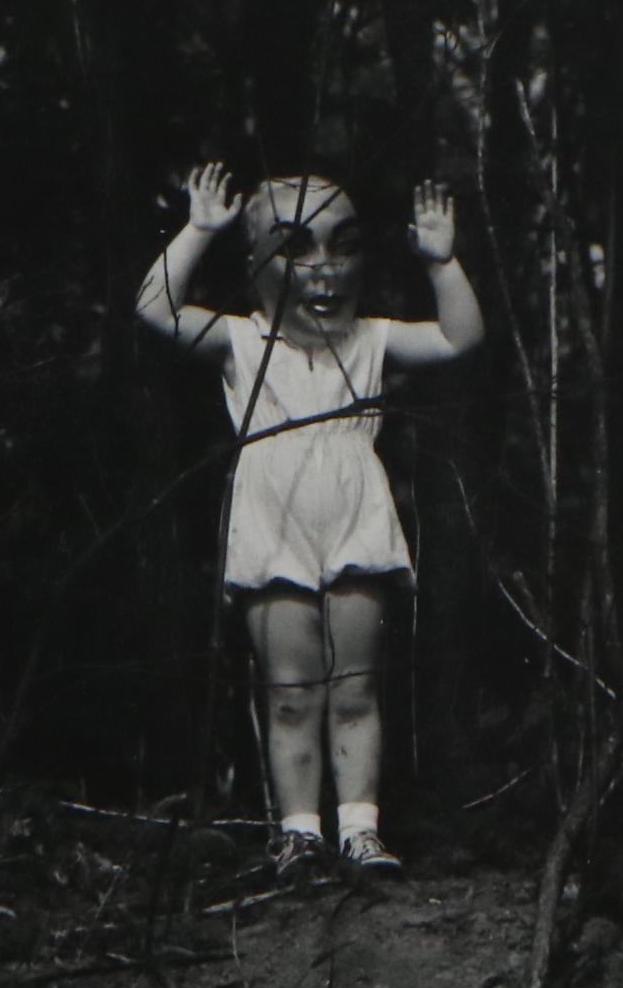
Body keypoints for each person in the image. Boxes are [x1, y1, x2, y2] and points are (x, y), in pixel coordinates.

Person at [136, 160, 484, 881]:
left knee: (354, 685)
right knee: (291, 691)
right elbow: (155, 308)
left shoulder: (373, 340)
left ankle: (360, 827)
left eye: (343, 246)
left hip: (356, 520)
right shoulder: (242, 342)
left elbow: (459, 339)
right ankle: (299, 834)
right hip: (273, 525)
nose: (323, 271)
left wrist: (443, 263)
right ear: (261, 260)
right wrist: (199, 230)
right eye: (297, 248)